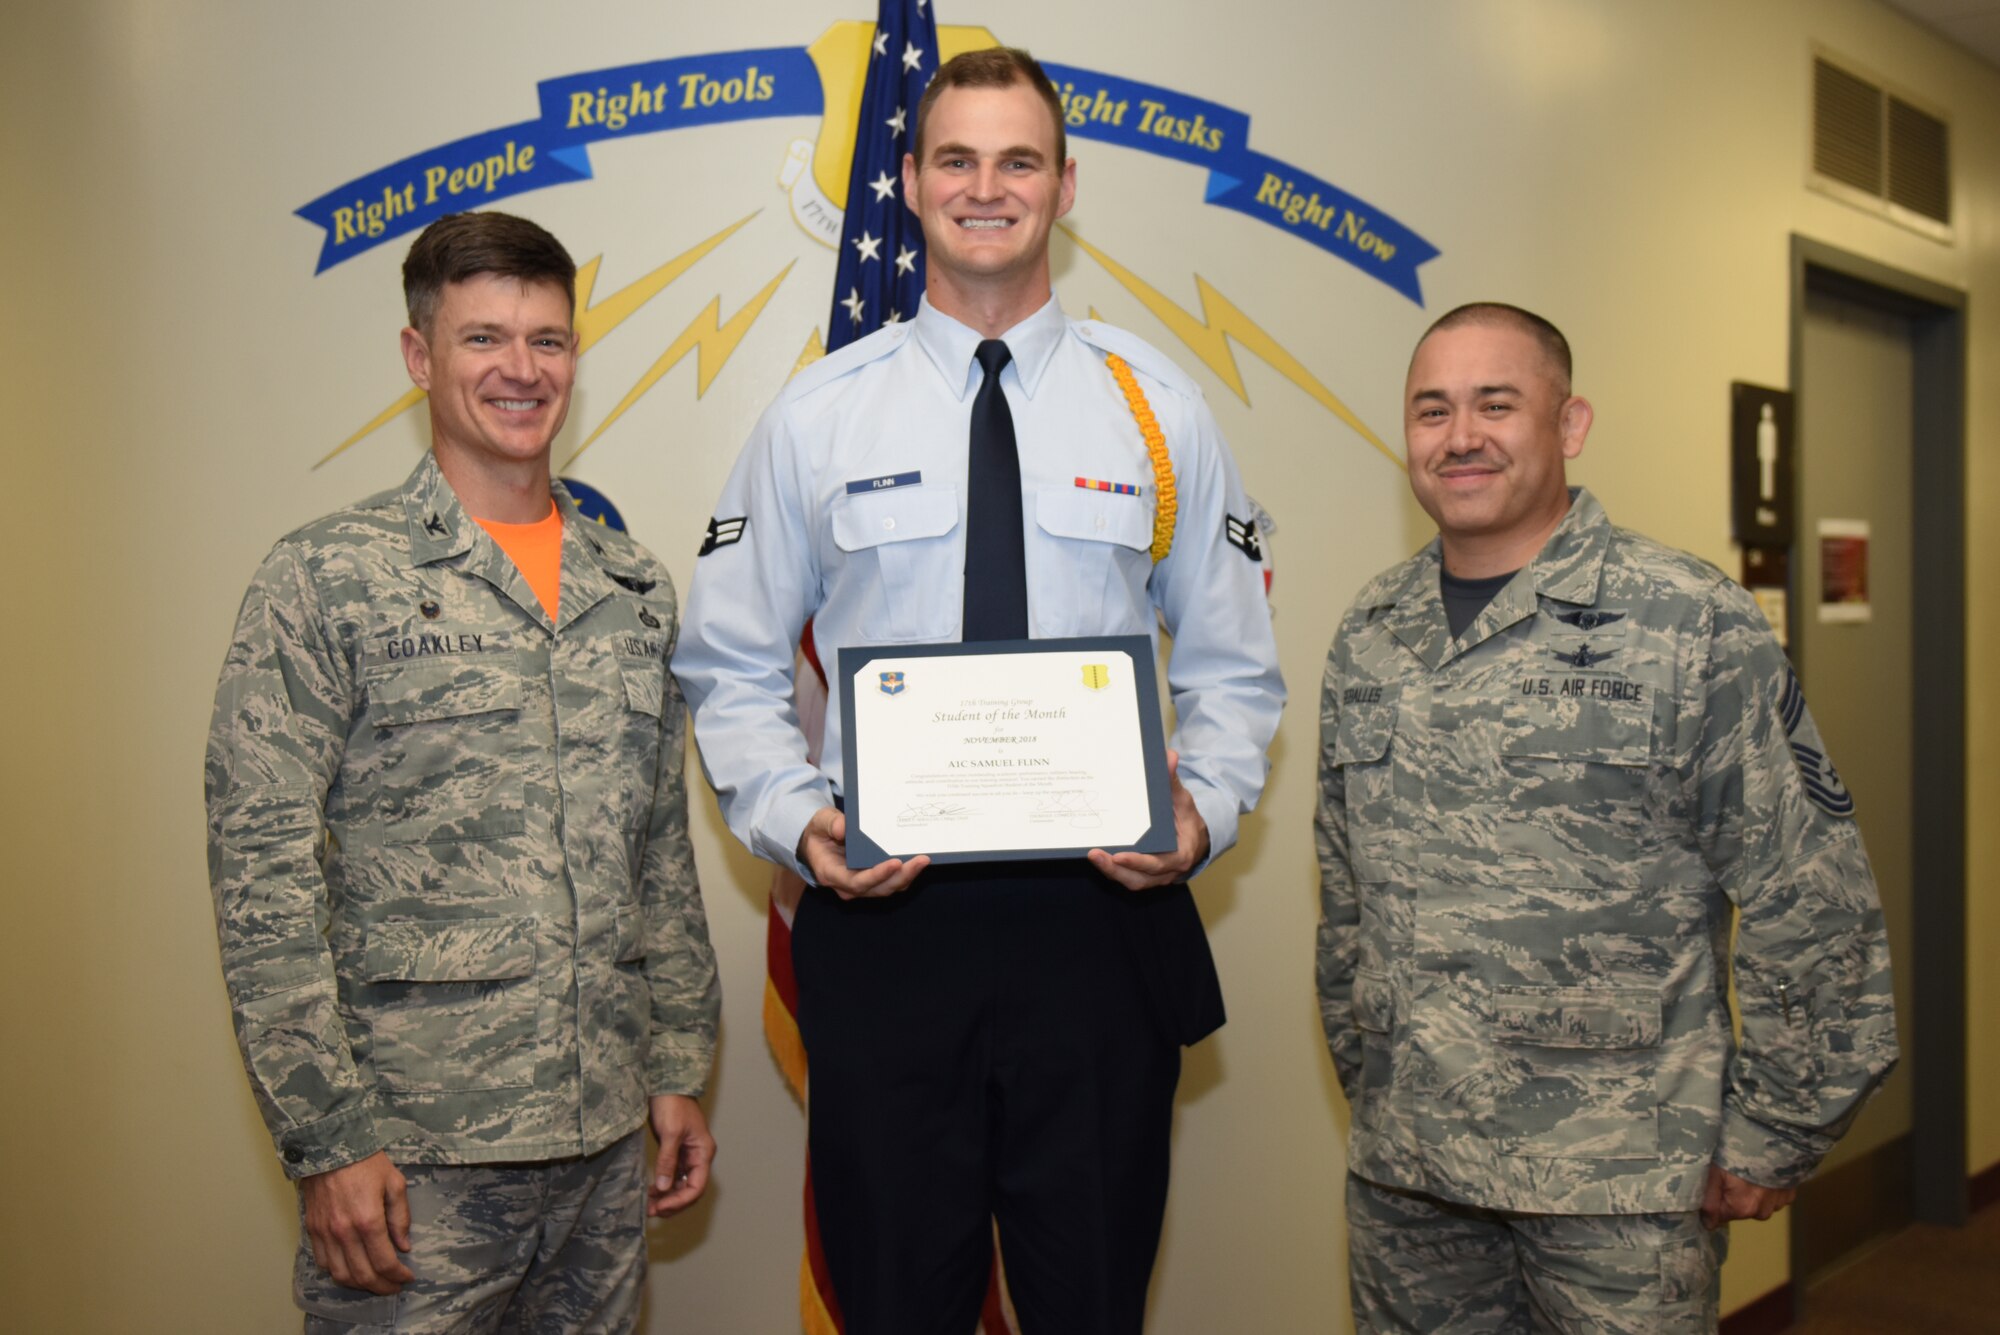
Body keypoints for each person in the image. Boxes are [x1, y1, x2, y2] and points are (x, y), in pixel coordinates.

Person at [673, 47, 1283, 1335]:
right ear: (907, 180)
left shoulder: (1158, 409)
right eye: (955, 158)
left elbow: (1232, 659)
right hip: (889, 927)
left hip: (1098, 929)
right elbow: (727, 659)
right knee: (893, 1303)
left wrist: (1204, 810)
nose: (985, 187)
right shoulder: (815, 419)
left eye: (1018, 161)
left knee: (1090, 1301)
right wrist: (795, 818)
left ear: (1067, 185)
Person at [1315, 302, 1899, 1331]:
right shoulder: (1370, 633)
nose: (1459, 437)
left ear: (1567, 423)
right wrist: (1372, 1077)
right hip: (1409, 1177)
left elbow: (1803, 889)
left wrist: (1774, 1127)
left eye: (1496, 404)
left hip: (1616, 1183)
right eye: (1431, 410)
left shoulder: (1684, 621)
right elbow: (1345, 894)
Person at [206, 210, 720, 1332]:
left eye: (548, 339)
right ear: (417, 356)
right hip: (415, 1160)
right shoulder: (326, 579)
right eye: (484, 339)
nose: (521, 370)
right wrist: (327, 1137)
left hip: (600, 1147)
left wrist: (677, 1062)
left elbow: (658, 849)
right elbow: (262, 880)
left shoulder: (630, 587)